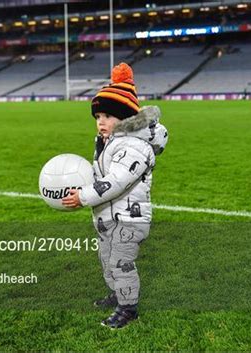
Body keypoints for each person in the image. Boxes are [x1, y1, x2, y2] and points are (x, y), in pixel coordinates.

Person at [62, 62, 168, 329]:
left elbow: (117, 181)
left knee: (121, 262)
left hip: (129, 218)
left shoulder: (134, 145)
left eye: (108, 117)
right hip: (107, 216)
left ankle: (128, 309)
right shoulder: (109, 142)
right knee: (107, 260)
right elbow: (100, 175)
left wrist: (83, 197)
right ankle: (118, 294)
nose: (101, 122)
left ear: (125, 118)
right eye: (98, 117)